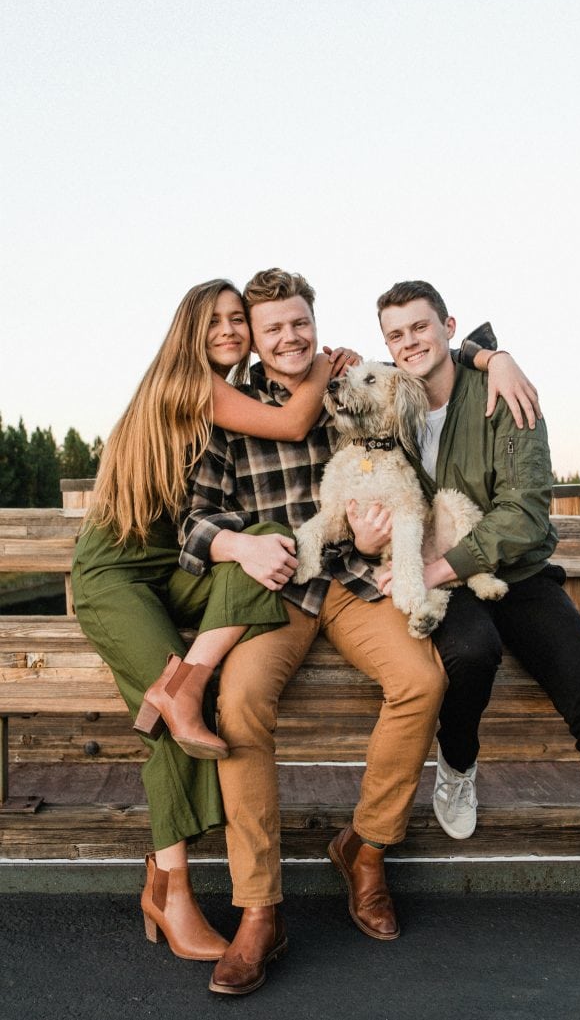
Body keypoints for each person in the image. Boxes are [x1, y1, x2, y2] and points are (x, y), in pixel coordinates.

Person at [177, 268, 541, 996]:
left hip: (350, 581)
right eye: (273, 326)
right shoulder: (230, 408)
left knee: (423, 679)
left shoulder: (350, 378)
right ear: (253, 332)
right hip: (273, 588)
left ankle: (366, 848)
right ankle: (259, 908)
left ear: (315, 322)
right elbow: (195, 520)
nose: (290, 336)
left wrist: (489, 352)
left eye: (299, 322)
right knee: (240, 701)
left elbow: (411, 414)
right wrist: (241, 545)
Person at [375, 279, 580, 974]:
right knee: (470, 654)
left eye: (420, 327)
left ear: (448, 325)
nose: (409, 343)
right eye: (395, 335)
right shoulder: (390, 406)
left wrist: (435, 568)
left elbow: (526, 516)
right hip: (455, 592)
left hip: (513, 575)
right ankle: (457, 760)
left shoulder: (502, 394)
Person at [71, 277, 356, 961]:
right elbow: (291, 422)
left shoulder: (223, 395)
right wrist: (322, 365)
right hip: (117, 573)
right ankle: (171, 891)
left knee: (262, 540)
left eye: (238, 319)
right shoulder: (188, 384)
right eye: (217, 321)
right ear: (190, 332)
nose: (230, 330)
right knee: (171, 725)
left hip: (172, 571)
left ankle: (186, 681)